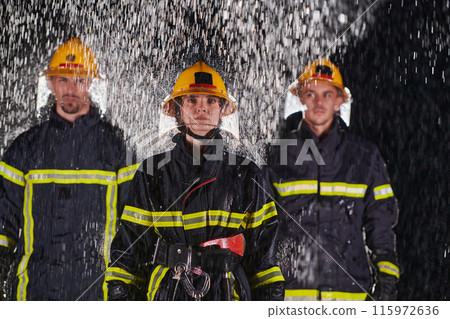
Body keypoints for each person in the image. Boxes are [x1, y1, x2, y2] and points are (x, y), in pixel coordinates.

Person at [105, 61, 284, 301]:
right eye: (192, 100)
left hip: (228, 296)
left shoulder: (246, 174)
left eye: (211, 101)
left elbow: (264, 260)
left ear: (222, 110)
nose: (202, 109)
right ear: (178, 110)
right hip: (168, 296)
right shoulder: (152, 172)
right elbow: (129, 252)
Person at [0, 38, 137, 300]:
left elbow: (132, 228)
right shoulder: (24, 148)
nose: (70, 88)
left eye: (79, 79)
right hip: (33, 295)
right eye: (63, 79)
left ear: (91, 84)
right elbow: (2, 224)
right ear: (51, 84)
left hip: (97, 296)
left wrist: (127, 289)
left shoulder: (117, 147)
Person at [265, 58, 399, 301]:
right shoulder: (276, 154)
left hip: (349, 296)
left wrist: (387, 277)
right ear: (301, 98)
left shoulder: (364, 157)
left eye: (327, 94)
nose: (318, 102)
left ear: (339, 102)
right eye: (311, 94)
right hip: (290, 296)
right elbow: (261, 227)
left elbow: (380, 222)